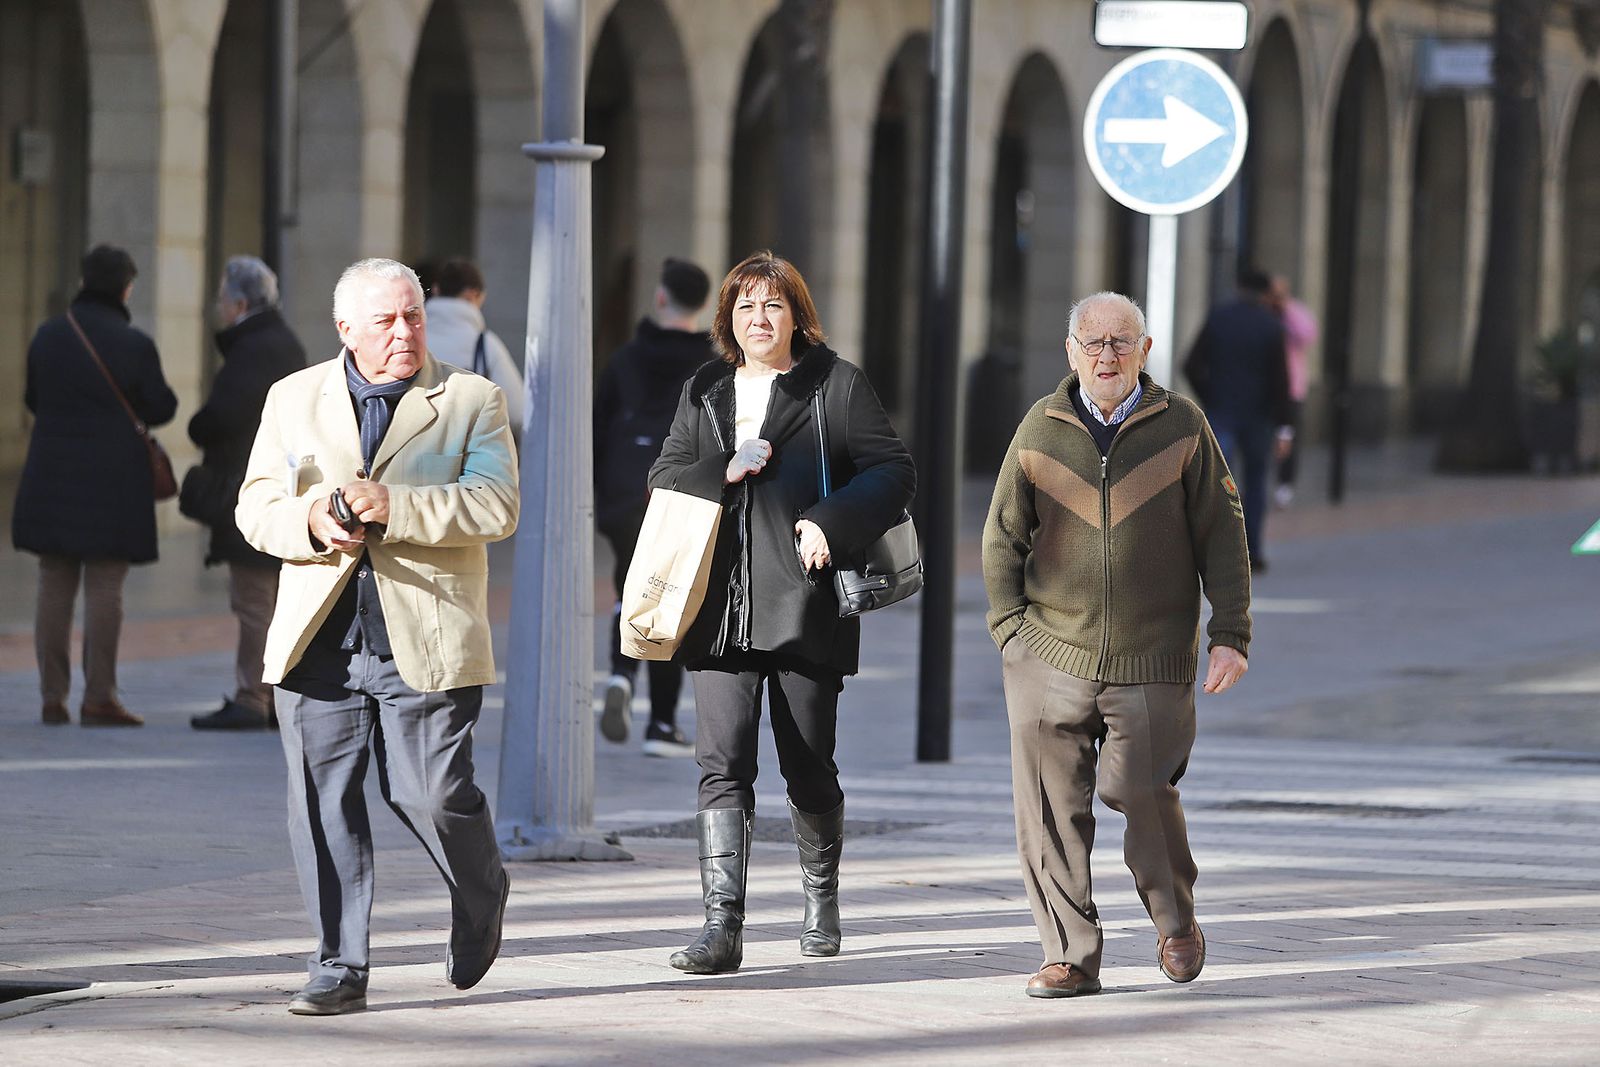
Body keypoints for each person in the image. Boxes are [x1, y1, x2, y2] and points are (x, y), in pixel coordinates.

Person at [235, 258, 519, 1016]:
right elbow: (256, 506)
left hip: (424, 637)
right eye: (387, 320)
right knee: (323, 803)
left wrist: (394, 503)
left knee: (431, 792)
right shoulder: (292, 397)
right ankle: (338, 963)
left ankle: (482, 889)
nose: (405, 332)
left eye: (415, 316)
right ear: (345, 330)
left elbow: (495, 504)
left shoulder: (469, 399)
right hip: (318, 642)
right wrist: (312, 520)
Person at [648, 250, 915, 974]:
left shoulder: (836, 383)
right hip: (717, 608)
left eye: (772, 305)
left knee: (807, 766)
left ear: (797, 313)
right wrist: (721, 468)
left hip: (805, 604)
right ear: (727, 318)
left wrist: (832, 519)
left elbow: (894, 470)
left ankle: (821, 894)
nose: (758, 319)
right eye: (744, 307)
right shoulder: (705, 386)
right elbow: (665, 475)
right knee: (721, 763)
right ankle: (720, 925)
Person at [983, 291, 1252, 999]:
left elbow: (1224, 535)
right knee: (1046, 805)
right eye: (1093, 342)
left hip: (1153, 652)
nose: (1107, 355)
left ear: (1145, 349)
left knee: (1136, 786)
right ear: (1071, 351)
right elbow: (1001, 535)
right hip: (1049, 649)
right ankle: (1069, 953)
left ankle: (1175, 920)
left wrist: (1229, 633)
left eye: (1120, 342)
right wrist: (1011, 630)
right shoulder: (1040, 428)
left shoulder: (1183, 426)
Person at [12, 245, 178, 727]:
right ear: (125, 287)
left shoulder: (48, 336)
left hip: (51, 477)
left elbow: (32, 398)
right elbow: (161, 407)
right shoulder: (134, 344)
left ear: (85, 281)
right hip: (112, 484)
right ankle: (99, 696)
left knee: (53, 583)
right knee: (106, 586)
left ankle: (52, 695)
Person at [594, 257, 717, 756]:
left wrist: (600, 491)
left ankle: (622, 672)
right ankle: (662, 724)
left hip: (625, 489)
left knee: (631, 580)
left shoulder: (625, 358)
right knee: (672, 594)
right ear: (702, 304)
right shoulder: (712, 367)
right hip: (680, 489)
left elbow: (598, 427)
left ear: (661, 298)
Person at [188, 256, 307, 731]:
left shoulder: (254, 348)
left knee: (254, 599)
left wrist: (199, 426)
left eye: (222, 299)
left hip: (252, 488)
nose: (220, 308)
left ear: (239, 302)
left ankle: (253, 695)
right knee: (267, 598)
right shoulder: (281, 342)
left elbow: (221, 416)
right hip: (275, 485)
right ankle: (272, 695)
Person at [1182, 268, 1293, 572]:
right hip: (1259, 417)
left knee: (1219, 484)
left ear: (1239, 286)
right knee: (1256, 484)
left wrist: (1211, 398)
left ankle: (1216, 552)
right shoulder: (1272, 326)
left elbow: (1190, 364)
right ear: (1265, 293)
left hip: (1223, 413)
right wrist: (1284, 425)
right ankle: (1253, 551)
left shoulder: (1219, 318)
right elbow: (1282, 381)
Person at [423, 257, 525, 446]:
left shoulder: (413, 338)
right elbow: (518, 413)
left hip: (414, 450)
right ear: (474, 295)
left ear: (436, 289)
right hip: (465, 456)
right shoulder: (486, 345)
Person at [1268, 274, 1318, 507]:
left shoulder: (1293, 313)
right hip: (1264, 389)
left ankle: (1285, 483)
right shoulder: (1263, 314)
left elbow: (1308, 334)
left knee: (1288, 437)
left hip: (1291, 390)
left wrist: (1286, 308)